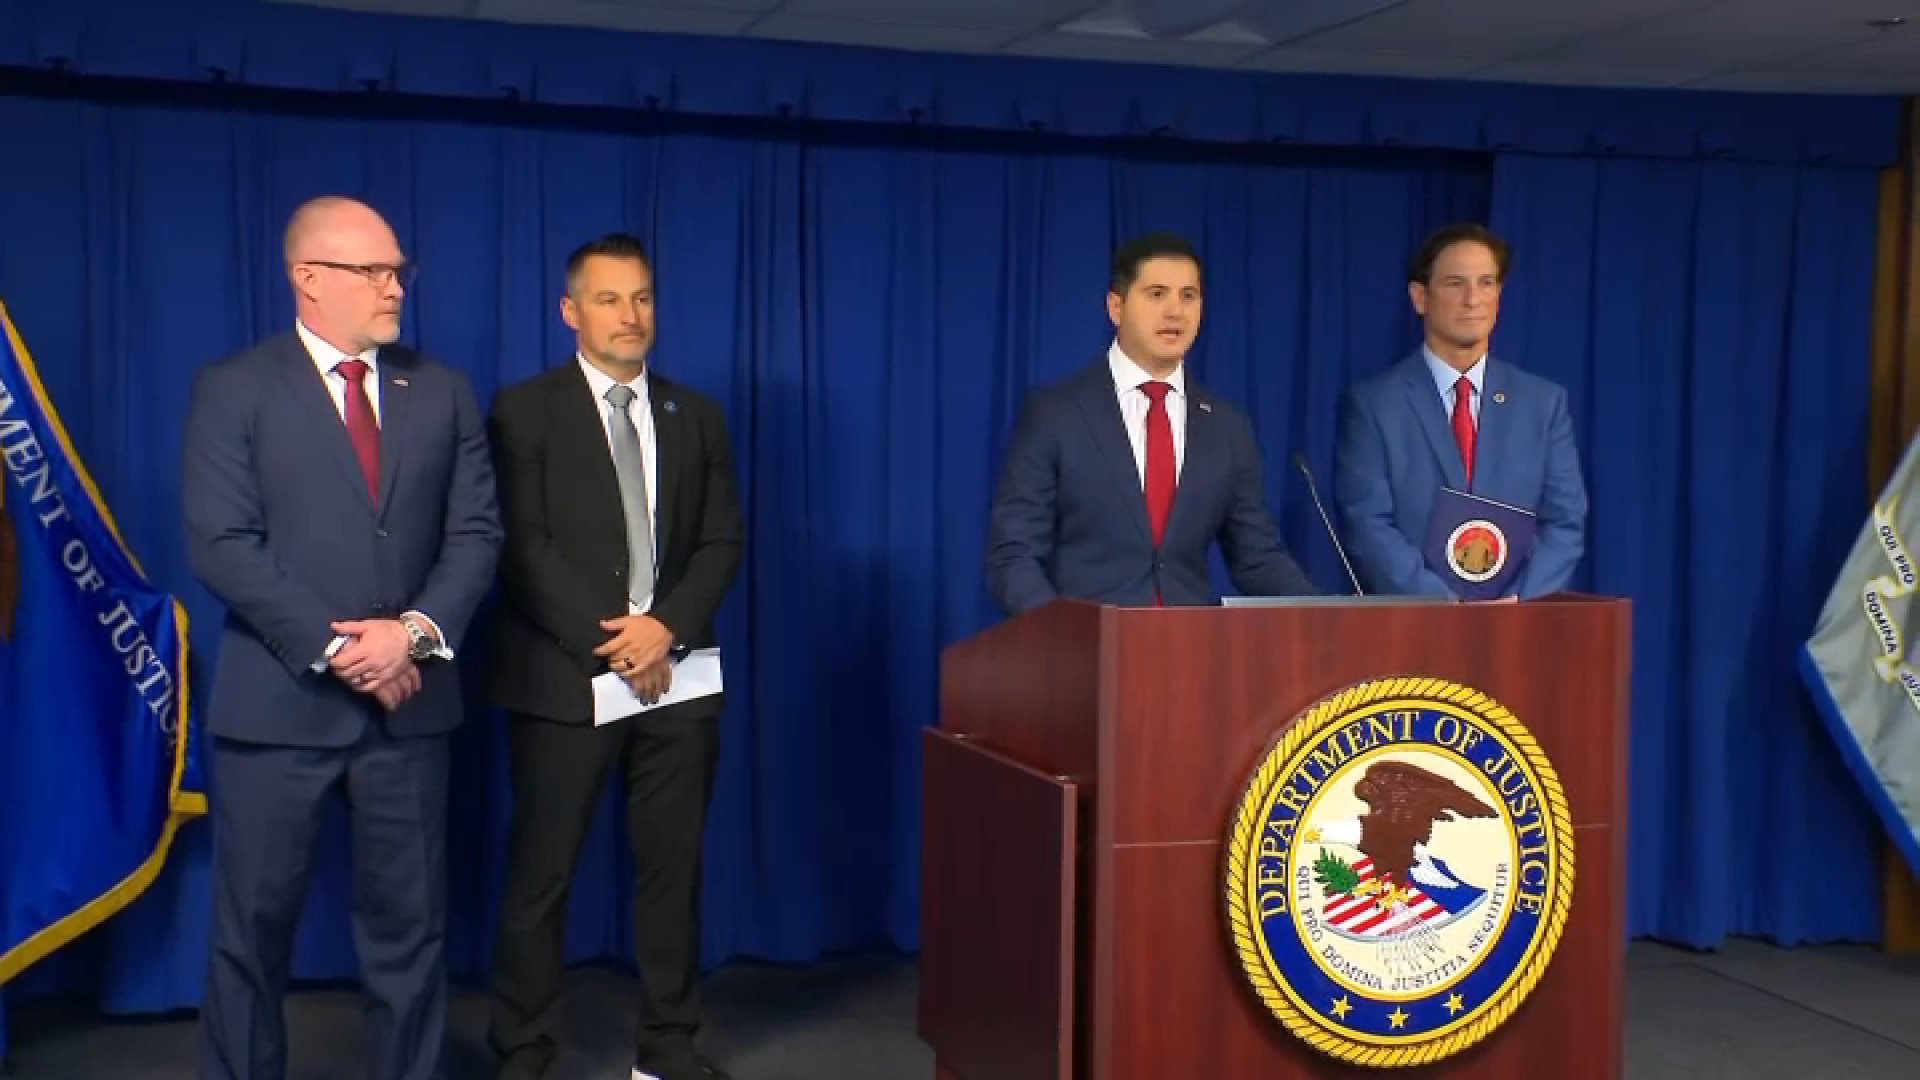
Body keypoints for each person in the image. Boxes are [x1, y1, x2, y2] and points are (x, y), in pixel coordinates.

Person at [183, 196, 501, 1080]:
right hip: (277, 712)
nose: (395, 286)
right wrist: (345, 651)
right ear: (309, 278)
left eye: (400, 270)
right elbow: (222, 544)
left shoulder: (440, 390)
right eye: (374, 271)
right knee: (251, 936)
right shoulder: (234, 388)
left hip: (411, 711)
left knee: (412, 935)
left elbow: (476, 533)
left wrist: (413, 636)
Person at [485, 233, 745, 1080]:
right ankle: (525, 1048)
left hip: (678, 677)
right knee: (542, 877)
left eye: (641, 297)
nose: (629, 315)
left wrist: (665, 627)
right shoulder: (523, 412)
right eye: (608, 299)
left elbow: (721, 539)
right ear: (571, 311)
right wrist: (622, 642)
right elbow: (522, 549)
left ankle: (668, 1047)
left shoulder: (695, 414)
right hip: (564, 681)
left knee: (673, 873)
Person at [985, 231, 1318, 614]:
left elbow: (1257, 558)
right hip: (1087, 644)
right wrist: (1060, 632)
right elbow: (1014, 554)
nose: (1175, 312)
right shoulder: (1056, 413)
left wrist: (1330, 618)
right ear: (1116, 307)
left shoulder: (1228, 426)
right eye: (1157, 294)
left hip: (1189, 645)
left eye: (1188, 296)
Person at [1333, 223, 1587, 599]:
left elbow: (1564, 524)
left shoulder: (1543, 404)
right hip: (1415, 624)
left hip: (1518, 622)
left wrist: (1515, 603)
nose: (1473, 299)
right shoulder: (1374, 404)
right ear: (1420, 297)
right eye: (1455, 283)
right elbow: (1368, 524)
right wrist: (1449, 609)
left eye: (1486, 283)